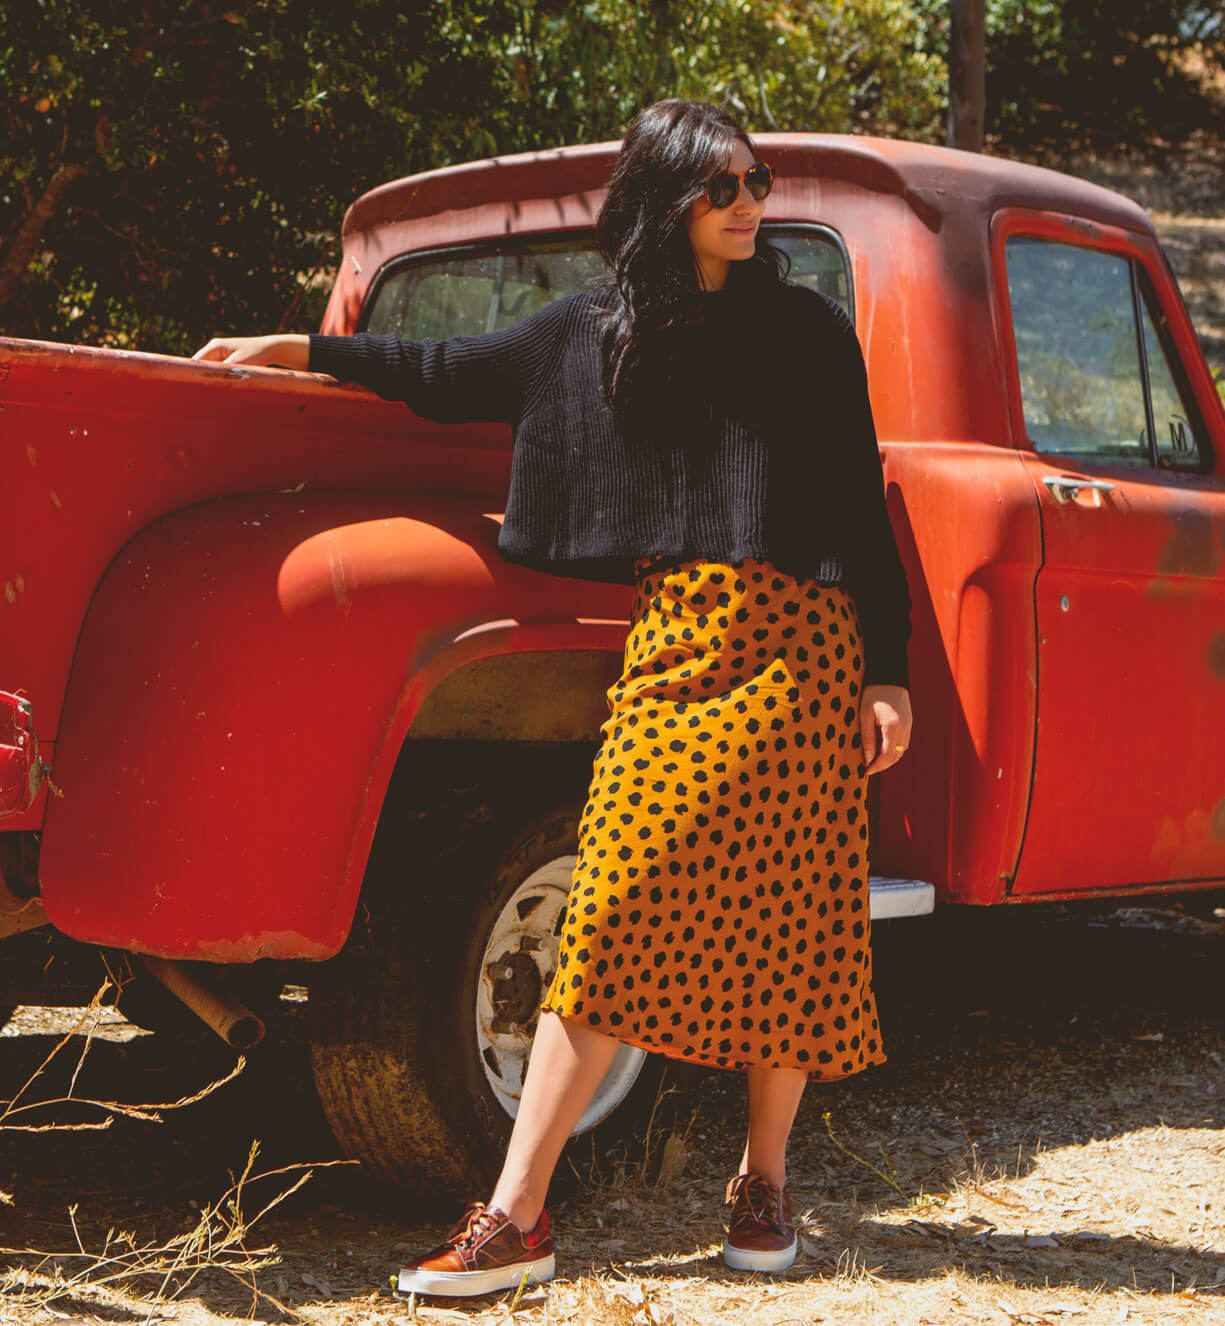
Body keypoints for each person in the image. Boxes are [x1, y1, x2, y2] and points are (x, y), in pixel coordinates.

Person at [193, 96, 914, 1298]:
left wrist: (885, 670)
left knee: (792, 922)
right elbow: (445, 371)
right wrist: (302, 350)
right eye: (725, 185)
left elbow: (854, 502)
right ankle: (518, 1217)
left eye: (758, 184)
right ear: (664, 196)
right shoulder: (594, 331)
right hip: (674, 642)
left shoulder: (805, 331)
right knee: (606, 916)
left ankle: (762, 1182)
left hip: (801, 645)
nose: (750, 205)